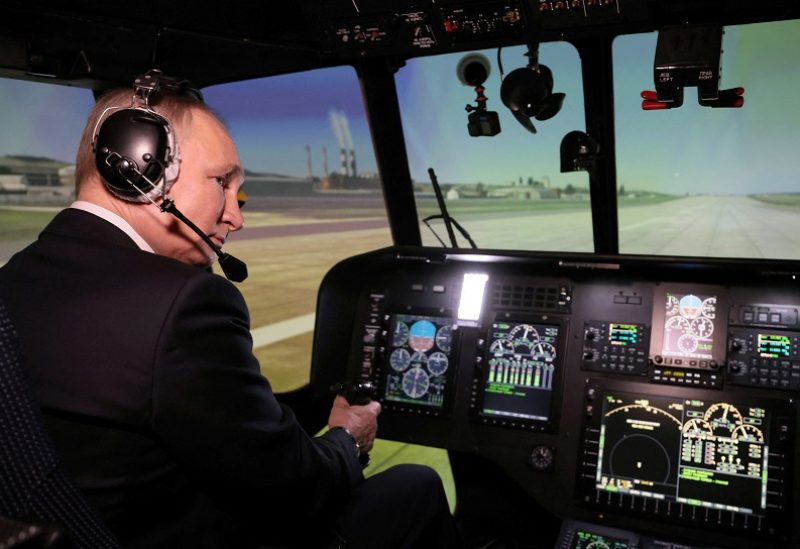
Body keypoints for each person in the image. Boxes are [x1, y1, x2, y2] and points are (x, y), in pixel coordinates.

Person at [0, 74, 459, 548]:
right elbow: (296, 489)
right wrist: (348, 437)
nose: (236, 217)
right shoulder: (181, 305)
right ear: (143, 166)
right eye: (223, 182)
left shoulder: (13, 279)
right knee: (416, 485)